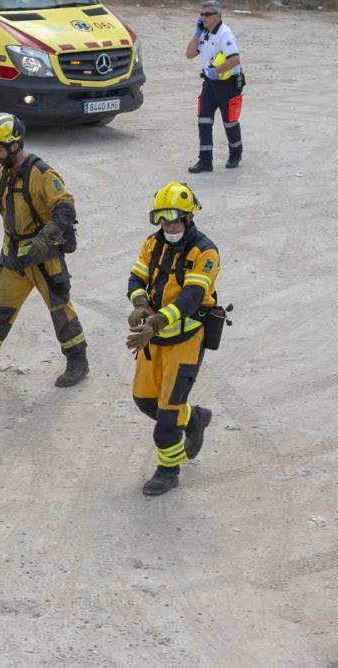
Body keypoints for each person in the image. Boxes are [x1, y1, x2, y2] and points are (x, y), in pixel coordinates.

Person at [0, 113, 88, 389]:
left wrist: (45, 239)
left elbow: (65, 208)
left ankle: (78, 361)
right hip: (13, 257)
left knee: (60, 310)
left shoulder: (42, 174)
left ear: (15, 145)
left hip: (43, 258)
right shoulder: (4, 172)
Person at [126, 182, 218, 496]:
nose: (169, 226)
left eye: (175, 220)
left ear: (189, 217)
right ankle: (194, 418)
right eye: (163, 221)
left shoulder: (204, 252)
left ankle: (169, 470)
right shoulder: (153, 244)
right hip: (154, 342)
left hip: (185, 342)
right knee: (144, 400)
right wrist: (140, 303)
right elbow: (137, 277)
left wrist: (156, 321)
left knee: (166, 426)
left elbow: (192, 297)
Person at [186, 0, 244, 172]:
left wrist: (216, 71)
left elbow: (235, 59)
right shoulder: (204, 34)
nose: (203, 18)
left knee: (230, 122)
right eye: (201, 15)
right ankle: (205, 161)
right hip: (210, 85)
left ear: (218, 16)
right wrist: (197, 34)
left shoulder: (225, 34)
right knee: (204, 121)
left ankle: (235, 154)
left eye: (208, 14)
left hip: (228, 84)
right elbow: (189, 54)